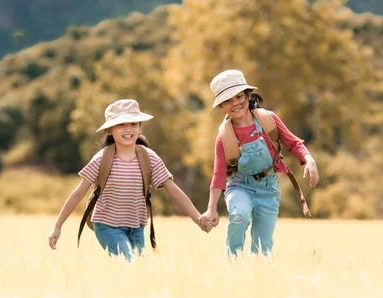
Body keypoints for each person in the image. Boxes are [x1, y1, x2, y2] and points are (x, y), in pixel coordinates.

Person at [49, 99, 210, 261]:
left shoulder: (149, 157)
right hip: (107, 226)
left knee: (137, 271)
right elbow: (78, 193)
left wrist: (198, 218)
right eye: (121, 124)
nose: (128, 129)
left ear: (140, 128)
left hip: (137, 228)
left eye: (133, 124)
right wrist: (57, 226)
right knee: (128, 261)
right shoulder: (102, 159)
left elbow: (173, 190)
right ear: (110, 130)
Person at [199, 70, 319, 258]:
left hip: (268, 188)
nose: (235, 103)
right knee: (239, 217)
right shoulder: (224, 135)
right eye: (228, 100)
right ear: (221, 106)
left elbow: (293, 143)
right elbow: (219, 174)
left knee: (264, 247)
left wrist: (309, 159)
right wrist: (211, 208)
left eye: (239, 96)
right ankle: (232, 261)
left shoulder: (268, 120)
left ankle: (258, 272)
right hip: (239, 186)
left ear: (248, 95)